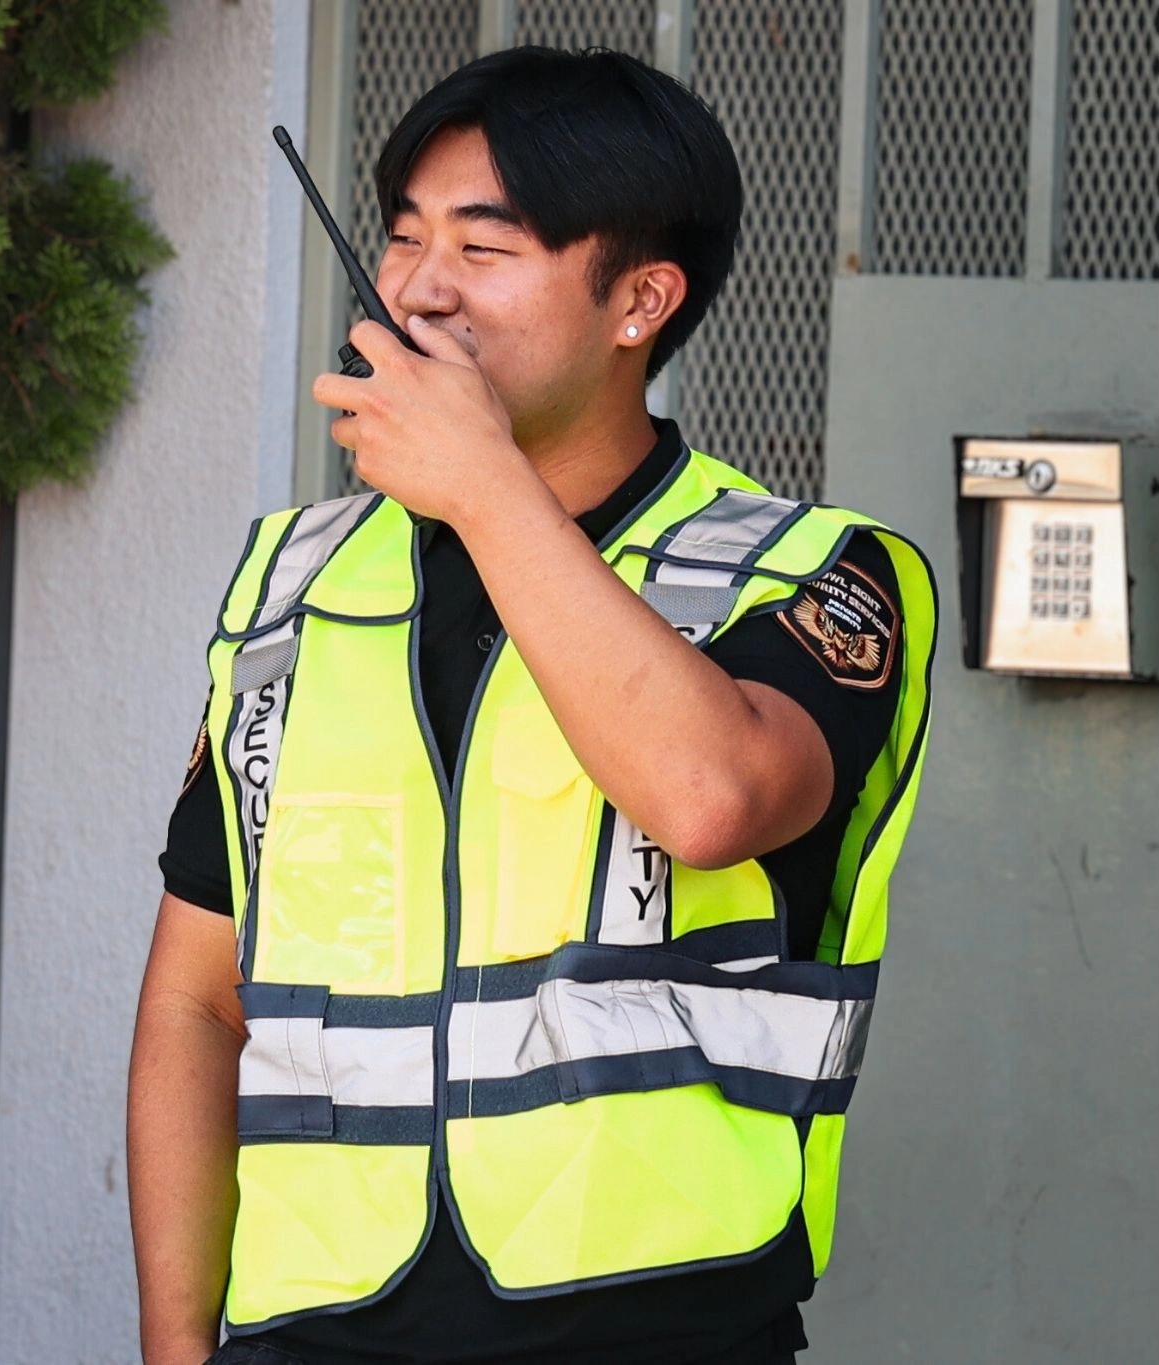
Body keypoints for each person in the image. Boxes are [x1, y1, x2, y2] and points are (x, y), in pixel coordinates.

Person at [129, 46, 936, 1365]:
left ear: (639, 301)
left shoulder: (808, 574)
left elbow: (710, 797)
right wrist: (176, 1349)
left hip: (659, 1330)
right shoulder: (292, 583)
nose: (418, 288)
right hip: (307, 1333)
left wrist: (488, 490)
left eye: (483, 247)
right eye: (402, 237)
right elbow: (196, 1006)